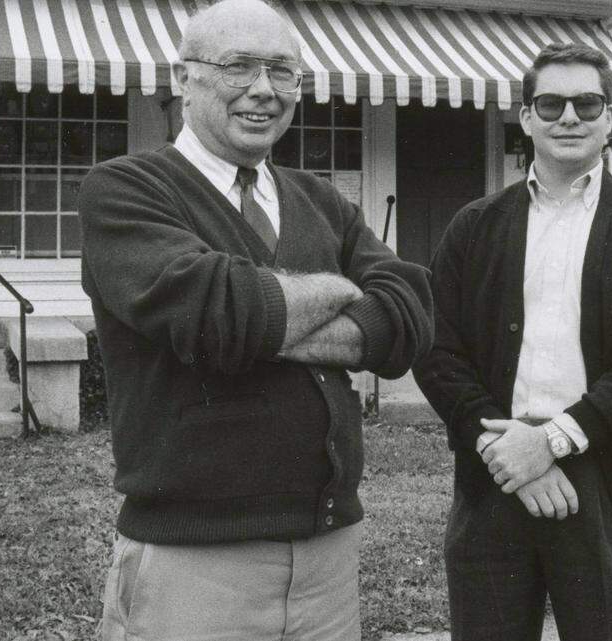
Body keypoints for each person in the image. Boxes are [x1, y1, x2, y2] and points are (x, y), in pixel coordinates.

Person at [79, 1, 433, 638]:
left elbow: (408, 314)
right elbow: (222, 315)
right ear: (184, 80)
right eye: (238, 67)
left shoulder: (321, 200)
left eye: (283, 71)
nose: (264, 91)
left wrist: (264, 319)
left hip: (329, 557)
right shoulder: (126, 190)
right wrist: (344, 293)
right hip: (196, 562)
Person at [413, 42, 612, 641]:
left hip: (609, 486)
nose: (569, 117)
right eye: (551, 103)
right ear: (526, 117)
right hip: (495, 474)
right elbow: (437, 350)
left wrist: (552, 442)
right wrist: (504, 445)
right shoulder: (475, 226)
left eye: (587, 103)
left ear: (611, 117)